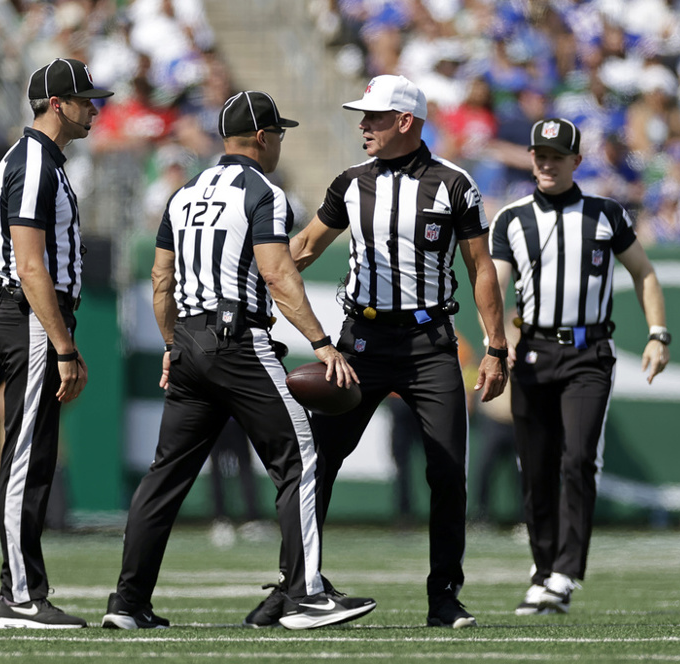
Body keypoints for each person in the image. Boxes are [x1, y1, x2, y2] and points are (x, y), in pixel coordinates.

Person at [101, 91, 376, 631]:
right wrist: (321, 343)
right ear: (265, 137)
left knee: (164, 478)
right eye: (280, 135)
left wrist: (170, 344)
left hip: (189, 342)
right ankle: (306, 596)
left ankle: (128, 603)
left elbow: (162, 281)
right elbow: (277, 274)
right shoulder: (263, 192)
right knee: (300, 458)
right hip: (237, 342)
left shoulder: (183, 194)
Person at [247, 75, 509, 630]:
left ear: (406, 122)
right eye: (362, 116)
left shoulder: (455, 184)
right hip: (360, 344)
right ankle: (295, 586)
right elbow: (305, 246)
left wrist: (495, 345)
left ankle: (444, 597)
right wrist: (259, 288)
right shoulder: (350, 183)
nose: (363, 125)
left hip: (429, 342)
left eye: (375, 117)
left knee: (446, 471)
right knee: (315, 464)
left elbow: (480, 267)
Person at [489, 118, 671, 616]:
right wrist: (494, 345)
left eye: (556, 155)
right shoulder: (511, 219)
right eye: (539, 155)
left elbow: (644, 272)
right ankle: (543, 567)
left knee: (577, 459)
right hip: (532, 350)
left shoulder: (606, 214)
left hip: (589, 352)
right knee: (536, 465)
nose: (546, 163)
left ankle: (566, 571)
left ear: (576, 161)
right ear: (530, 159)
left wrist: (658, 333)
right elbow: (495, 288)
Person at [0, 58, 113, 629]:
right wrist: (62, 344)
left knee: (35, 455)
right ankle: (17, 595)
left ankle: (24, 589)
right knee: (26, 456)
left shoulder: (42, 160)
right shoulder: (34, 162)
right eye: (85, 100)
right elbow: (31, 265)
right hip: (32, 312)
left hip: (40, 315)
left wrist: (65, 340)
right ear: (57, 104)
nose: (95, 108)